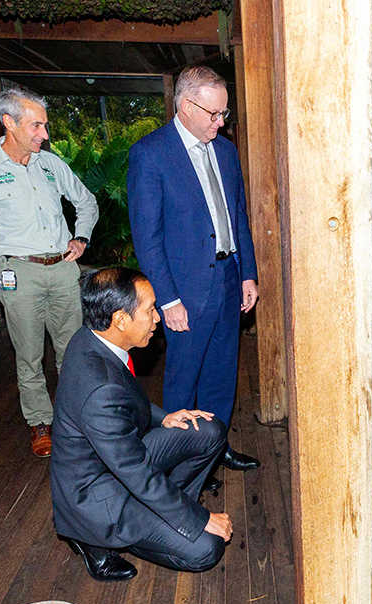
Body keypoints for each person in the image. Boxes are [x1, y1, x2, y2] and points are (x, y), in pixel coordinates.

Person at [50, 268, 232, 581]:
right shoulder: (99, 386)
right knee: (207, 546)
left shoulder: (92, 338)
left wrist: (166, 417)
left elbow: (122, 402)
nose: (158, 318)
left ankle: (168, 512)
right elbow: (137, 473)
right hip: (100, 494)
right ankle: (93, 541)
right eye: (149, 310)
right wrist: (198, 519)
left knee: (209, 431)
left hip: (115, 463)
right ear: (120, 319)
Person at [128, 65, 260, 488]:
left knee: (222, 375)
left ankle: (215, 449)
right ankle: (182, 466)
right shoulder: (150, 153)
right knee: (183, 383)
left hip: (227, 276)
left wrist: (247, 274)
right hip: (184, 291)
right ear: (186, 106)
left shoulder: (224, 150)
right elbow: (148, 238)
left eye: (224, 114)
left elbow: (238, 215)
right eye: (214, 114)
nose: (221, 123)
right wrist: (166, 300)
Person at [0, 86, 98, 458]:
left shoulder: (51, 165)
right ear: (9, 122)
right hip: (18, 275)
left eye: (45, 125)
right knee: (29, 355)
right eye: (36, 125)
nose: (45, 134)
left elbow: (86, 202)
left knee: (73, 352)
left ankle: (76, 421)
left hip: (63, 271)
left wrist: (80, 239)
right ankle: (40, 423)